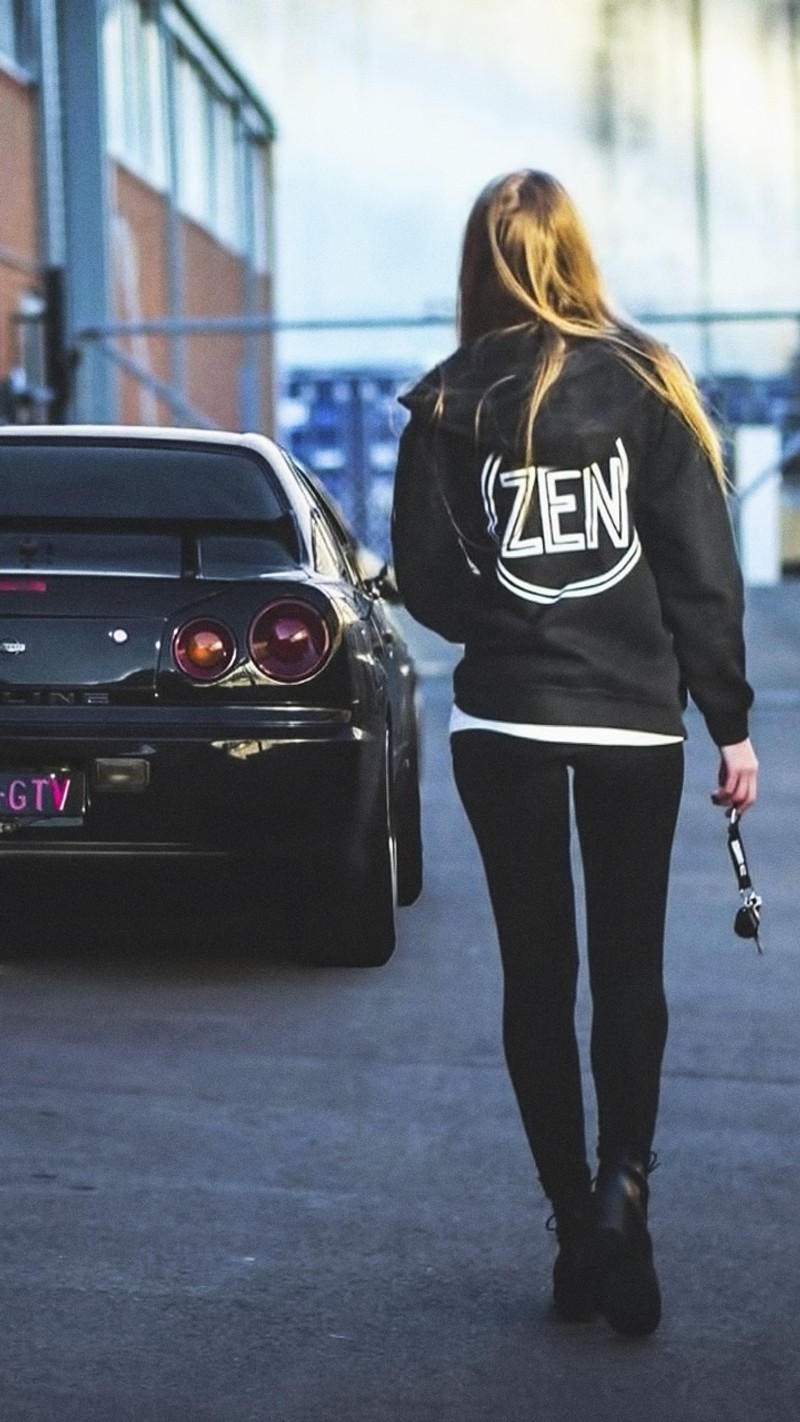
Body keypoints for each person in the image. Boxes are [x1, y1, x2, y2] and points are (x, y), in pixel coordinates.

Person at [390, 170, 758, 1337]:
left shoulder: (444, 402)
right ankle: (623, 1204)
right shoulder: (649, 380)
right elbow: (700, 568)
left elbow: (428, 579)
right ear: (573, 251)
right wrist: (728, 718)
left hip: (501, 722)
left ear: (476, 264)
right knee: (629, 971)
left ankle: (570, 1230)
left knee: (536, 980)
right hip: (628, 723)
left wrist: (503, 619)